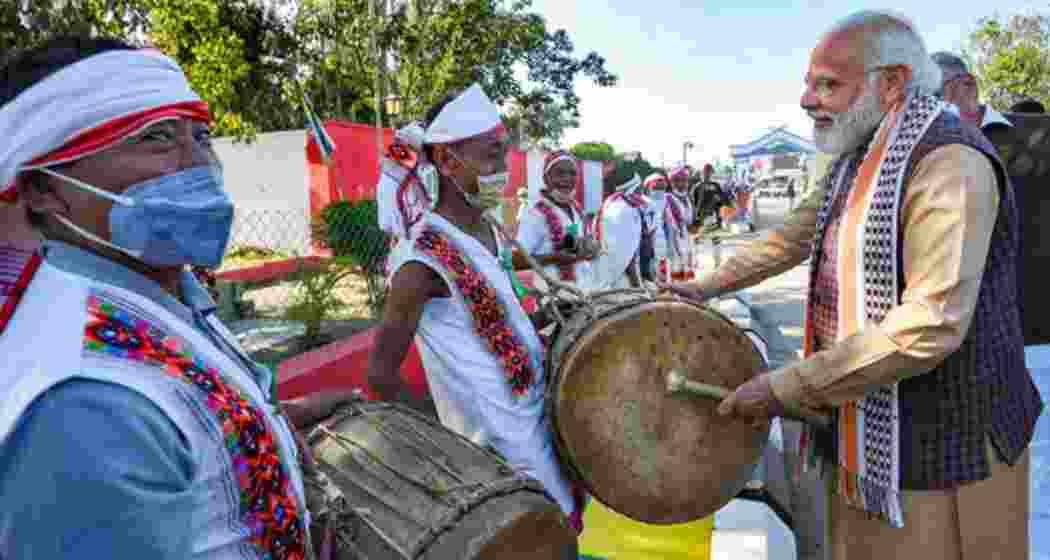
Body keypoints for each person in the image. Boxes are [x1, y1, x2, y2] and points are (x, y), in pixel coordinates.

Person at [666, 11, 1040, 559]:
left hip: (950, 451)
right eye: (808, 83)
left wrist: (783, 388)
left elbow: (930, 324)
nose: (806, 99)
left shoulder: (949, 164)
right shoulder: (860, 155)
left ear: (891, 84)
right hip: (865, 439)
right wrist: (704, 287)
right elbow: (792, 236)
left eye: (827, 84)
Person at [0, 37, 359, 559]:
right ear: (42, 188)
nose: (199, 165)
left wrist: (271, 420)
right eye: (157, 139)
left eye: (203, 137)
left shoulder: (158, 294)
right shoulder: (84, 402)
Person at [366, 85, 584, 530]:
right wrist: (446, 449)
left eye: (503, 154)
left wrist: (553, 316)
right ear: (448, 162)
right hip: (495, 461)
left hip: (539, 427)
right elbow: (380, 377)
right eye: (491, 156)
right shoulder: (421, 256)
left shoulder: (487, 229)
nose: (503, 169)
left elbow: (491, 326)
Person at [515, 149, 597, 291]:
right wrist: (556, 258)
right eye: (560, 173)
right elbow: (516, 260)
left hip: (586, 292)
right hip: (554, 300)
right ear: (546, 178)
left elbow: (587, 242)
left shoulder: (577, 208)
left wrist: (592, 248)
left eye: (572, 173)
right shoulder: (533, 212)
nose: (567, 179)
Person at [591, 165, 653, 290]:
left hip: (603, 276)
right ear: (633, 189)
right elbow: (627, 259)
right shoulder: (625, 211)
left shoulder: (612, 203)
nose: (642, 193)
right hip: (619, 280)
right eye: (639, 189)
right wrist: (638, 287)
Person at [931, 51, 1013, 133]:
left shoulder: (1022, 129)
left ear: (968, 83)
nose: (933, 105)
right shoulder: (930, 137)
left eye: (938, 94)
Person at [646, 172, 689, 283]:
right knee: (657, 272)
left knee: (676, 267)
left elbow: (681, 218)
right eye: (656, 187)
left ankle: (679, 290)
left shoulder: (670, 199)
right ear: (648, 188)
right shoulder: (644, 203)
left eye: (662, 187)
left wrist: (679, 236)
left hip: (672, 241)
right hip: (652, 245)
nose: (659, 190)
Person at [668, 165, 697, 281]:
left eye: (684, 180)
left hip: (687, 237)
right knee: (675, 270)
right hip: (674, 239)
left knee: (686, 269)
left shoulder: (688, 198)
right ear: (671, 183)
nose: (681, 184)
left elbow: (691, 220)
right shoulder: (668, 198)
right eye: (677, 180)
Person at [691, 163, 731, 229]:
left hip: (714, 216)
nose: (707, 174)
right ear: (703, 172)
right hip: (702, 216)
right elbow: (693, 203)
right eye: (706, 171)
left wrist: (719, 199)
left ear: (712, 173)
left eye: (709, 171)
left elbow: (723, 200)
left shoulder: (716, 185)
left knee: (714, 236)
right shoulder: (697, 186)